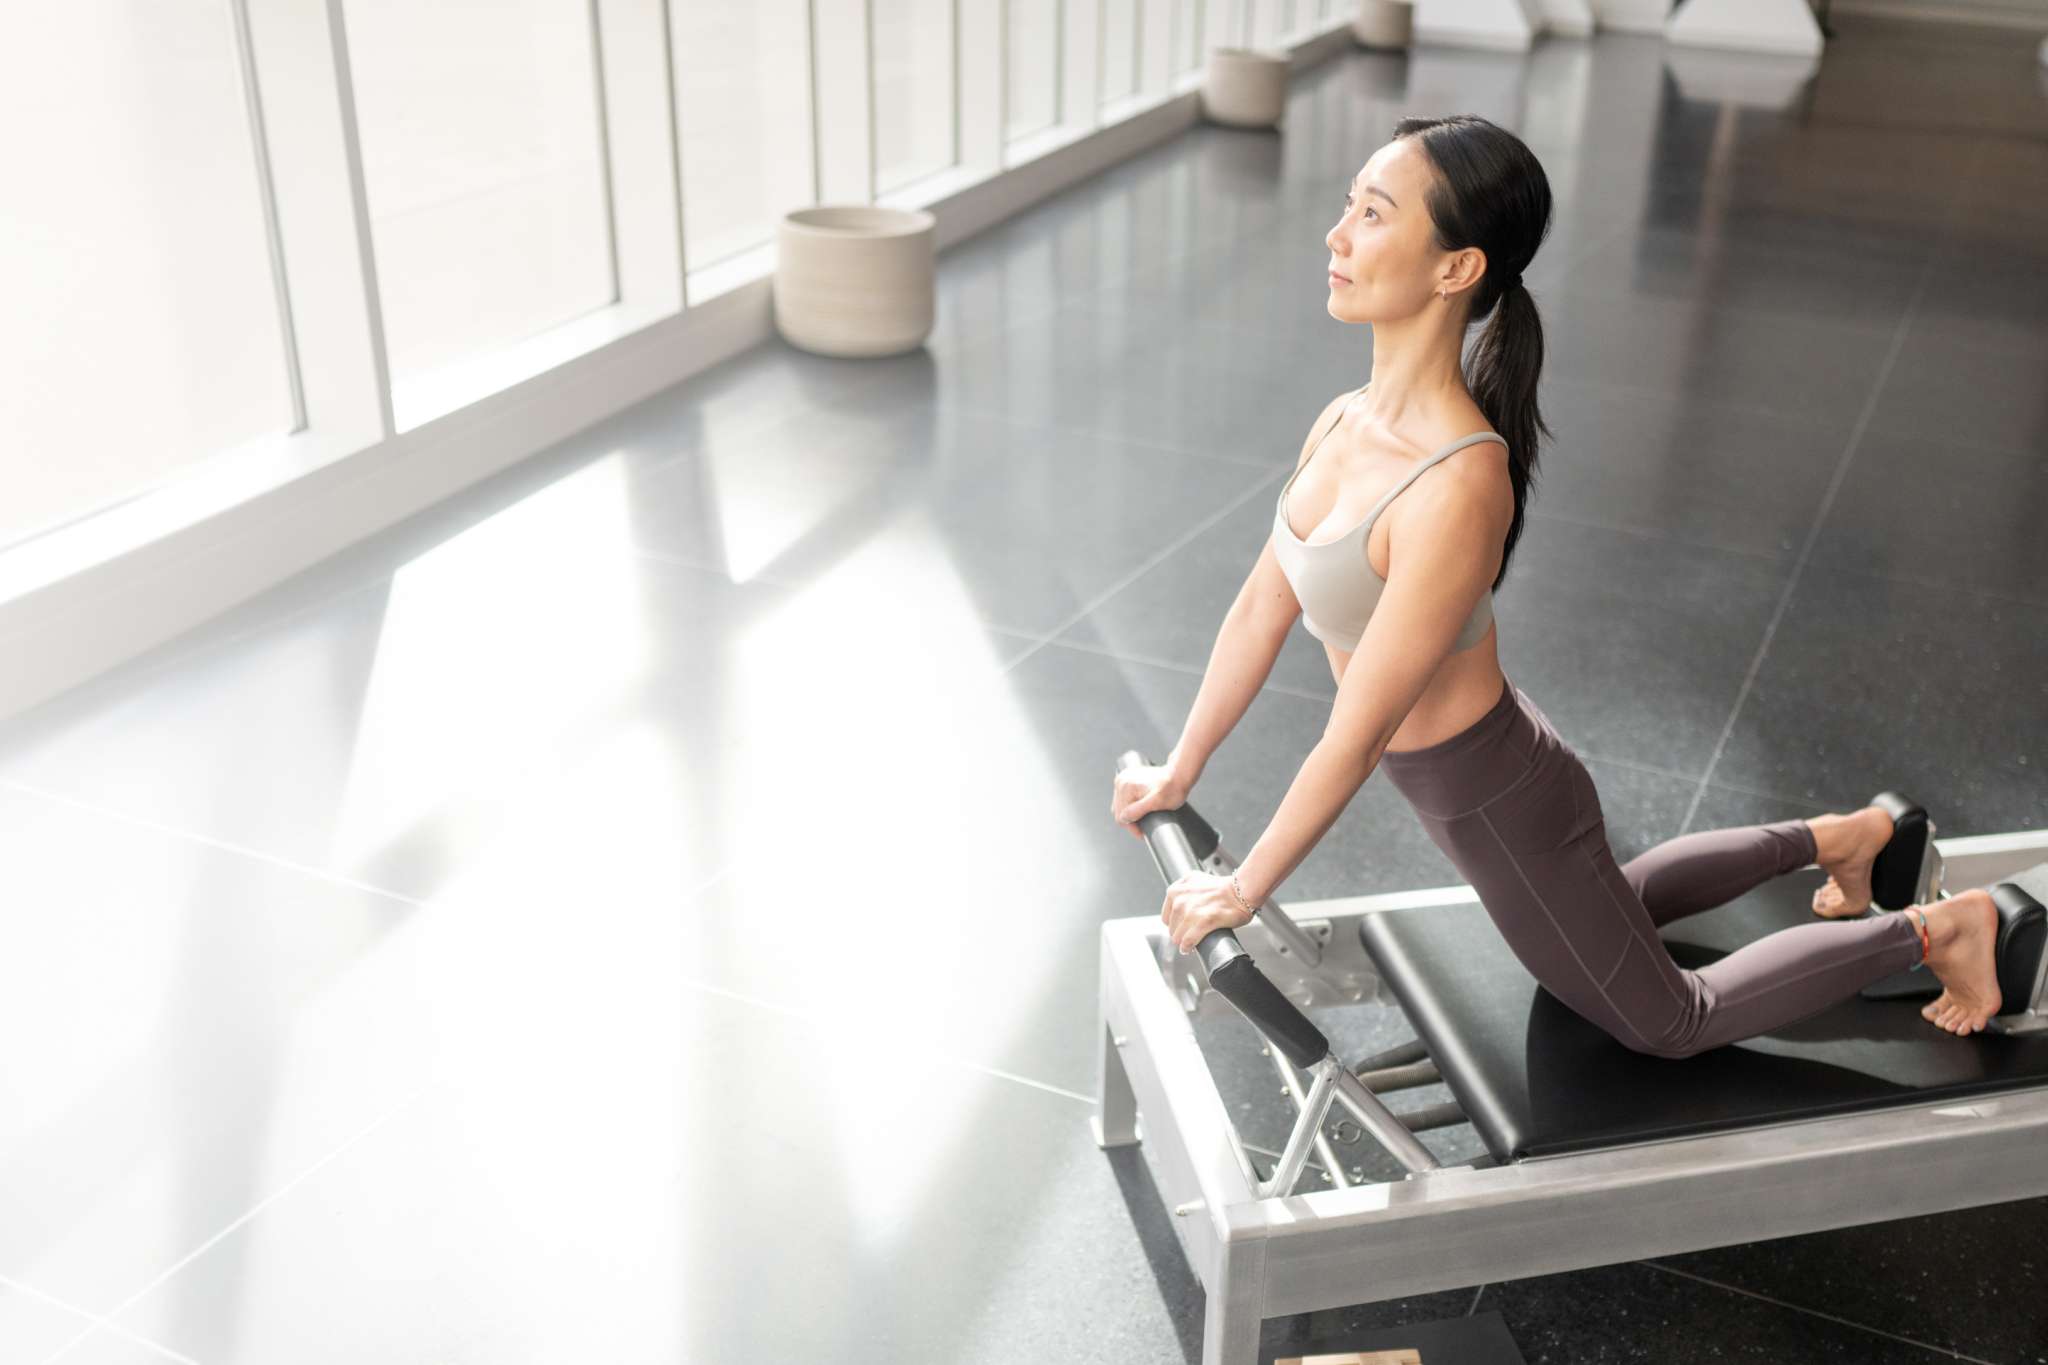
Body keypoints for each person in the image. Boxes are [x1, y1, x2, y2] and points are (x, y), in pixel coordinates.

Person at [1110, 114, 2004, 1051]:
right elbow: (1263, 604)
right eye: (1349, 208)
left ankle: (1938, 930)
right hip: (1488, 782)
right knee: (1610, 896)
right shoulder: (1342, 419)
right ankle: (1849, 835)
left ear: (1456, 268)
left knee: (1670, 1021)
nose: (1337, 238)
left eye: (1373, 216)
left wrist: (1245, 889)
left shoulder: (1457, 481)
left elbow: (1360, 729)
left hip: (1496, 795)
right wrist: (1183, 765)